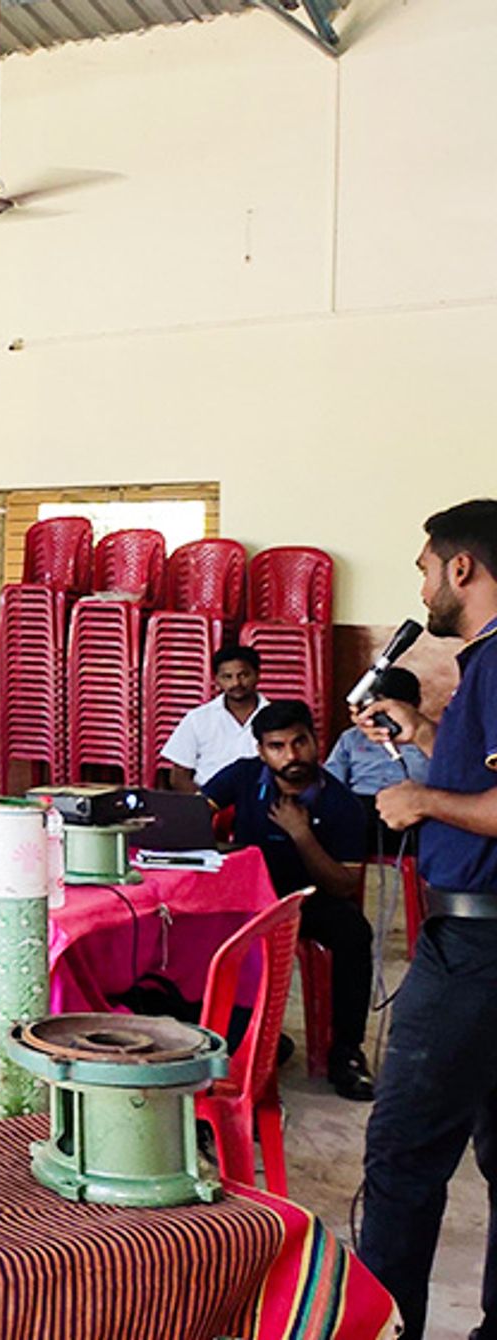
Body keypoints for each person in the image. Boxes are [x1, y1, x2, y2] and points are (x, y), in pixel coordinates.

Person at [352, 500, 497, 1336]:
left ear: (462, 568)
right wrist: (423, 728)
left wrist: (418, 798)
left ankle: (378, 1325)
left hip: (477, 945)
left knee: (404, 1151)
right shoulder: (483, 665)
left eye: (423, 568)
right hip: (483, 936)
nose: (422, 585)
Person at [202, 700, 373, 1100]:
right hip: (248, 900)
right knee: (191, 929)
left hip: (309, 902)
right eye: (277, 746)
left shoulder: (342, 804)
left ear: (316, 742)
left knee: (353, 933)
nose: (292, 755)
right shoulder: (244, 777)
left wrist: (302, 836)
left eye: (300, 742)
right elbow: (195, 812)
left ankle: (346, 1051)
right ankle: (242, 1037)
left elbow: (345, 885)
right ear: (261, 751)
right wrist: (219, 847)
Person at [326, 667, 432, 825]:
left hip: (412, 813)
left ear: (415, 706)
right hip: (361, 810)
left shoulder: (430, 739)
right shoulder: (352, 738)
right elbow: (331, 783)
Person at [162, 645, 269, 791]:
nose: (236, 683)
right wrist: (205, 804)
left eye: (243, 675)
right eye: (227, 677)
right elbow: (178, 776)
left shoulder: (275, 717)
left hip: (259, 801)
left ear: (257, 675)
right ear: (216, 679)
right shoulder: (197, 719)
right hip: (208, 802)